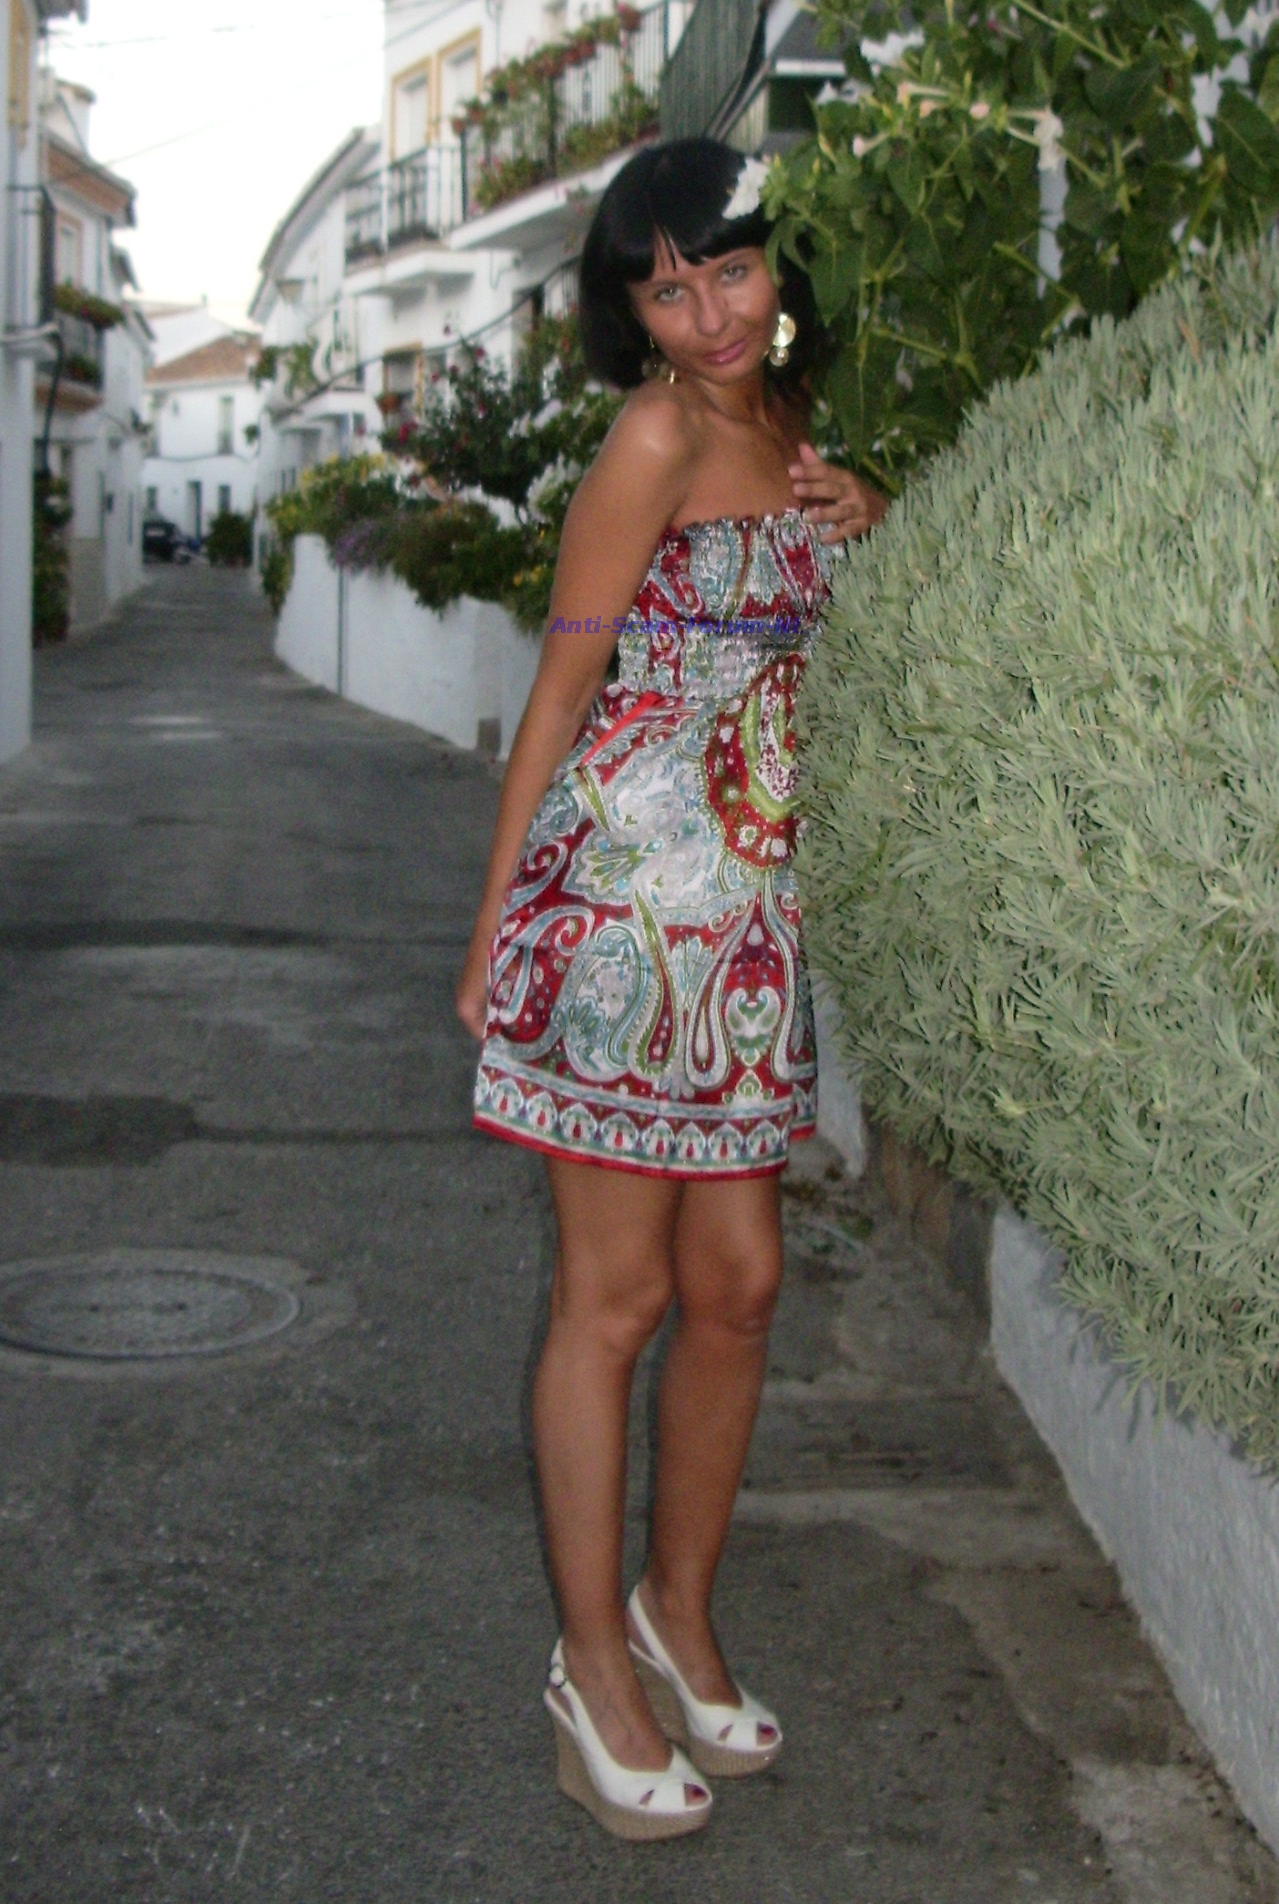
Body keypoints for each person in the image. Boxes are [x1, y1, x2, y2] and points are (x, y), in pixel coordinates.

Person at [455, 137, 887, 1841]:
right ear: (629, 313)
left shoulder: (795, 431)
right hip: (623, 922)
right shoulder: (652, 440)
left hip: (749, 935)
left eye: (732, 270)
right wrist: (495, 925)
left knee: (744, 1285)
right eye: (667, 287)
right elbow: (562, 694)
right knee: (615, 1303)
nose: (709, 313)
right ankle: (592, 1666)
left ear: (781, 268)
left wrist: (875, 516)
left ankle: (674, 1610)